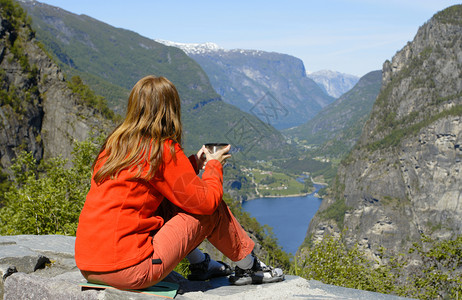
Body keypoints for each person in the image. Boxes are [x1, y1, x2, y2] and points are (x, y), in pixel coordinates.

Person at [74, 75, 284, 290]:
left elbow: (163, 180)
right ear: (171, 109)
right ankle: (250, 267)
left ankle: (201, 263)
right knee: (208, 209)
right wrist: (213, 166)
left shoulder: (115, 145)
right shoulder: (160, 148)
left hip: (90, 267)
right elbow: (207, 203)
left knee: (170, 203)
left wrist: (193, 162)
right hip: (130, 270)